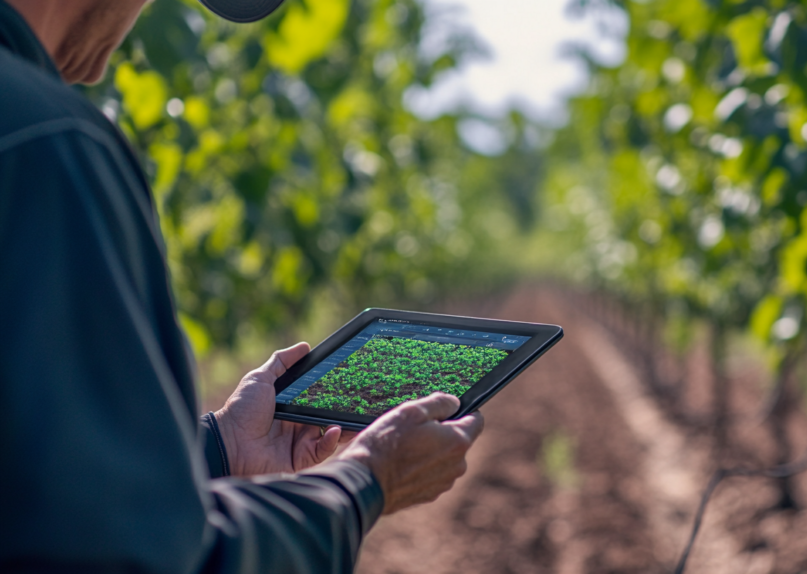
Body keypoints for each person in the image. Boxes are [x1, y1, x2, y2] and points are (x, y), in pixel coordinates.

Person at [0, 0, 484, 572]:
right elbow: (135, 557)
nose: (96, 74)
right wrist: (365, 482)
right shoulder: (48, 141)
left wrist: (221, 445)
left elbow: (35, 493)